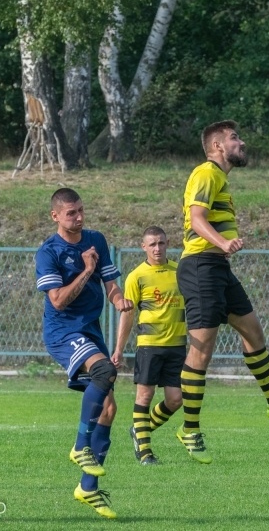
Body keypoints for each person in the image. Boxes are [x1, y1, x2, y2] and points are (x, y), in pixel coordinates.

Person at [175, 120, 269, 464]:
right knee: (202, 350)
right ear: (218, 146)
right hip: (199, 267)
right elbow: (196, 219)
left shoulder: (220, 178)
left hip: (217, 268)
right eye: (235, 138)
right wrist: (223, 241)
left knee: (253, 332)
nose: (242, 142)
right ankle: (189, 430)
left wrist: (222, 248)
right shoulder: (206, 173)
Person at [35, 187, 134, 519]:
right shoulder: (48, 252)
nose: (78, 218)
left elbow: (111, 283)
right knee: (105, 372)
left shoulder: (96, 239)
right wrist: (86, 269)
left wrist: (119, 300)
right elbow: (58, 300)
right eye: (70, 213)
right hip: (63, 331)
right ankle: (80, 447)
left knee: (108, 409)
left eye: (80, 211)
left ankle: (88, 488)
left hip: (89, 330)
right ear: (55, 216)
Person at [112, 226, 185, 466]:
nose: (157, 248)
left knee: (176, 399)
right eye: (152, 244)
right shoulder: (137, 276)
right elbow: (128, 314)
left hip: (177, 345)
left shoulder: (179, 271)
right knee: (145, 395)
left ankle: (139, 431)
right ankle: (145, 453)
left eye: (161, 243)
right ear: (143, 247)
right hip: (149, 346)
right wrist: (119, 349)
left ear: (167, 244)